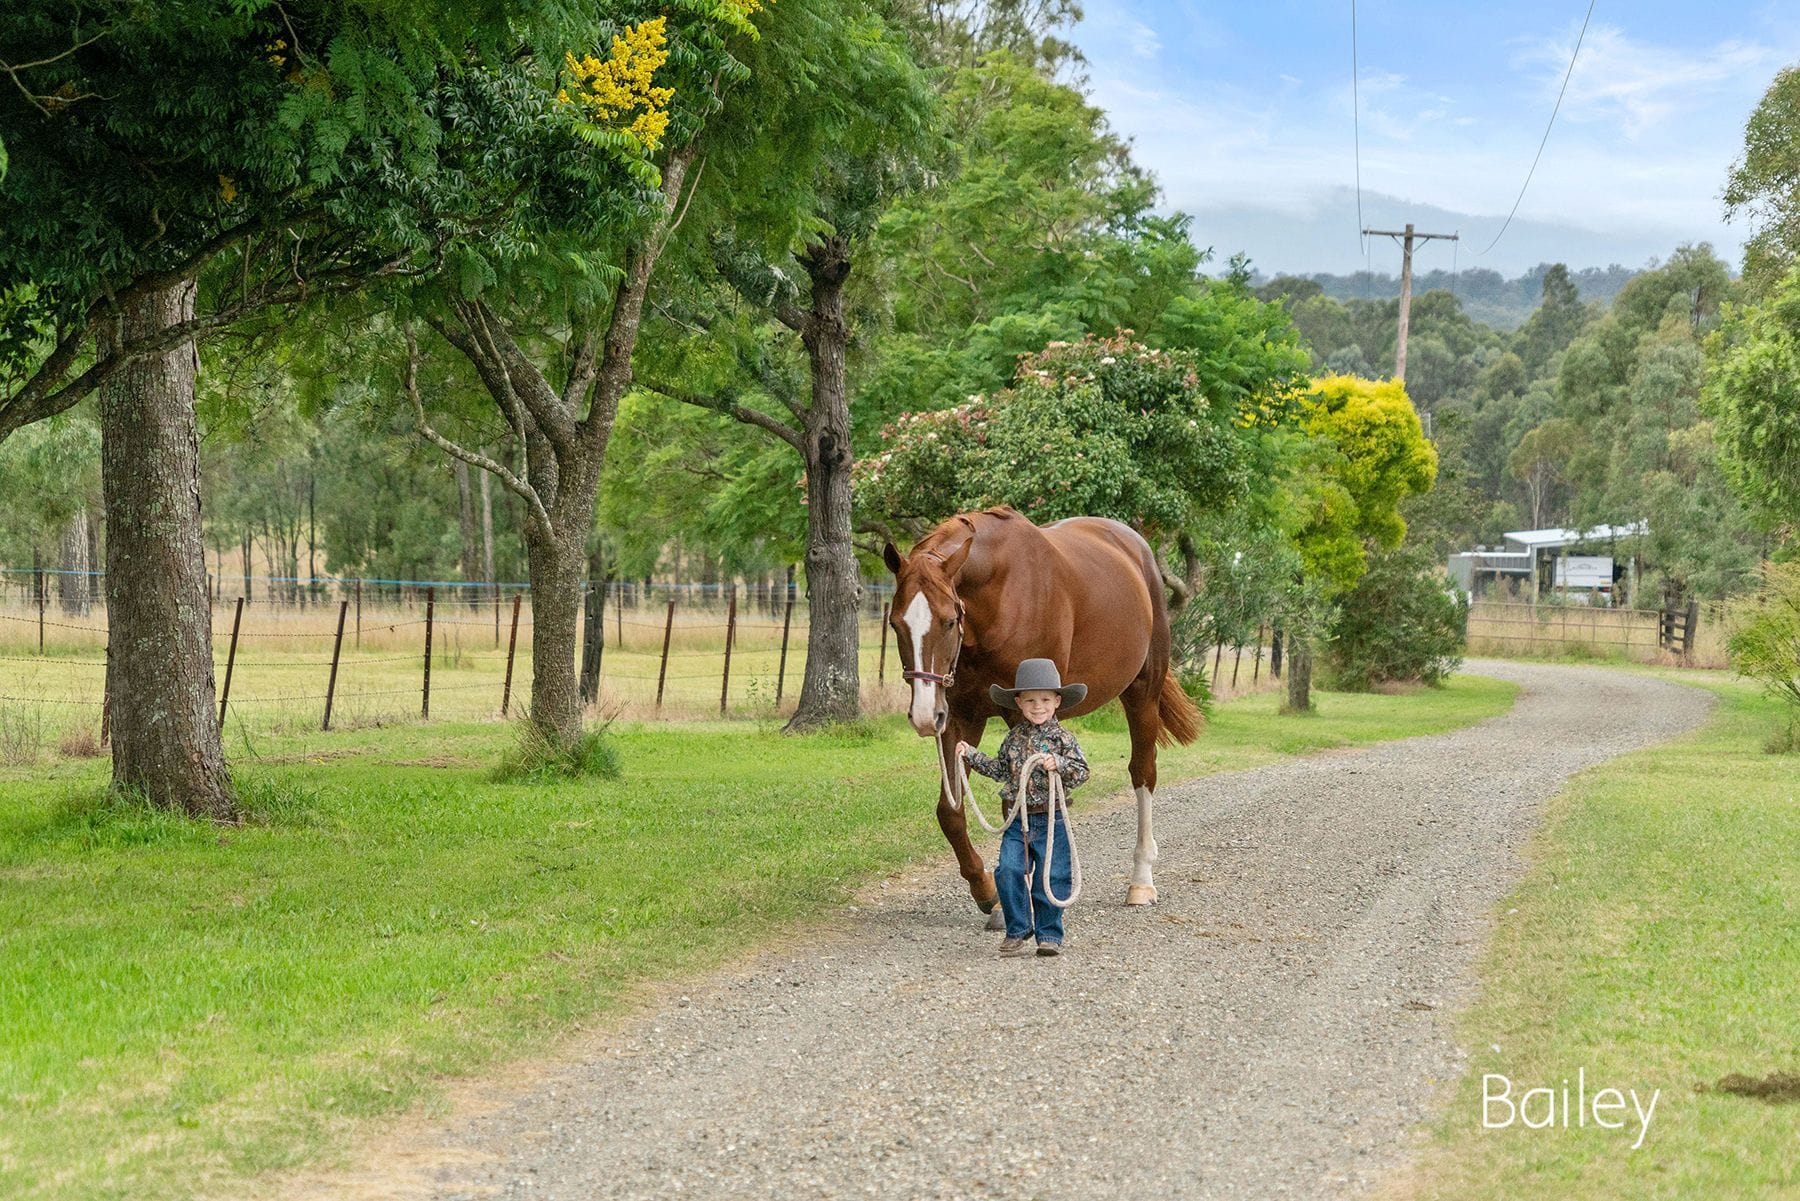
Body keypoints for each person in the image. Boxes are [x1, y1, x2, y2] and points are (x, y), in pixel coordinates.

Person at [957, 658, 1090, 957]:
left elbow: (1082, 771)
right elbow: (1000, 769)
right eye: (1030, 700)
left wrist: (1061, 763)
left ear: (1057, 702)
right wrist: (971, 754)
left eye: (1045, 699)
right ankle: (1018, 928)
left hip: (1052, 817)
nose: (1038, 706)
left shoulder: (1064, 740)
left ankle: (1049, 935)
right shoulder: (1014, 738)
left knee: (1052, 877)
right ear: (1018, 702)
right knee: (1008, 870)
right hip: (1018, 819)